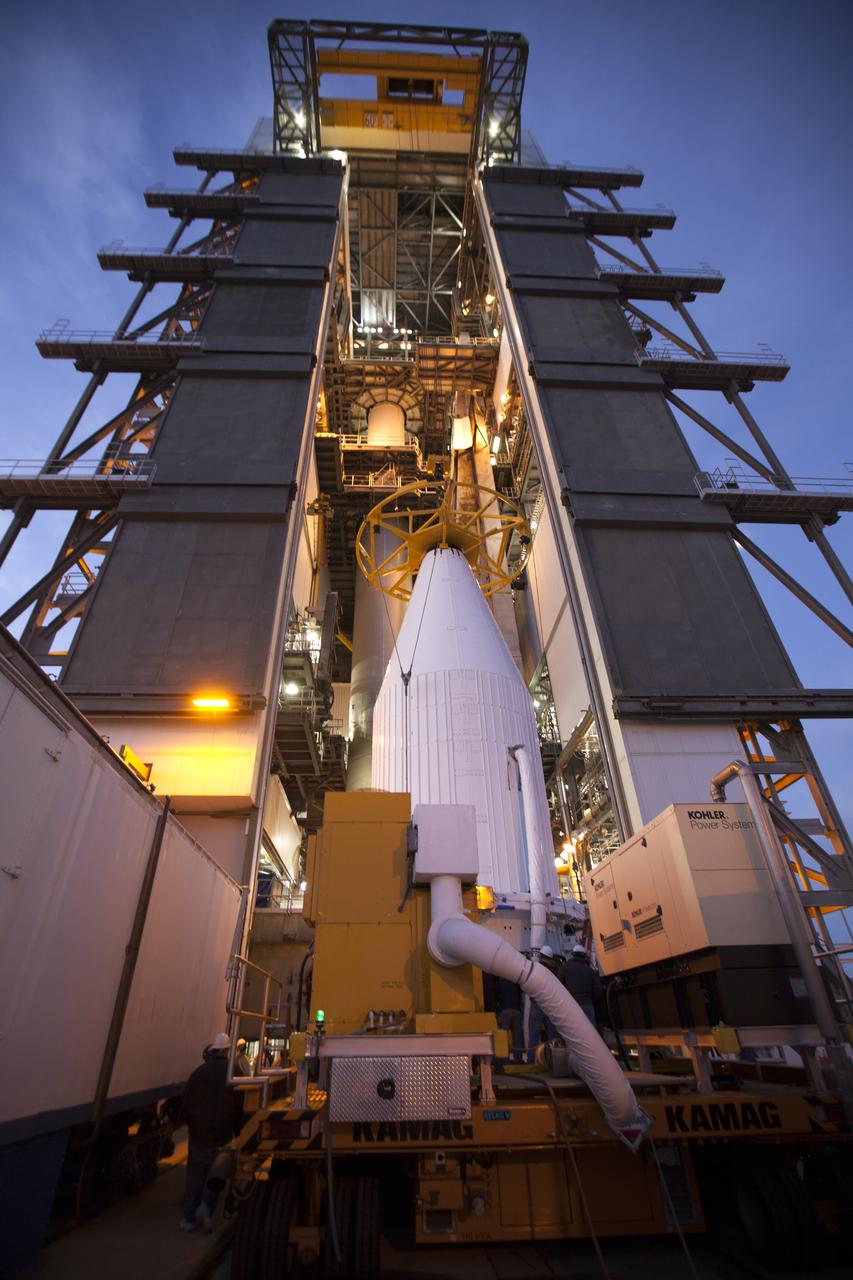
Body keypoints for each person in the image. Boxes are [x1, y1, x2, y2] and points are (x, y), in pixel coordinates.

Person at [180, 1032, 242, 1233]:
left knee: (195, 1176)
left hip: (198, 1135)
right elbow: (240, 1103)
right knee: (217, 1175)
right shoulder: (233, 1073)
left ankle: (188, 1218)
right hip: (221, 1136)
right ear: (226, 1051)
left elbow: (186, 1103)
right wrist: (239, 1131)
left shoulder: (198, 1073)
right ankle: (206, 1207)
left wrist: (192, 1125)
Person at [526, 945, 561, 1060]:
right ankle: (557, 1060)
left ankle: (531, 1061)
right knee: (552, 1036)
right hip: (550, 1005)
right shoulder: (556, 969)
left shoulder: (537, 968)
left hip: (537, 1004)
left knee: (533, 1036)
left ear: (541, 956)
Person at [558, 944, 603, 1027]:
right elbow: (598, 990)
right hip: (588, 1005)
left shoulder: (565, 968)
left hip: (572, 1006)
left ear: (573, 954)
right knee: (591, 1033)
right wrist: (590, 1000)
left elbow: (558, 987)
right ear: (584, 955)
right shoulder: (590, 970)